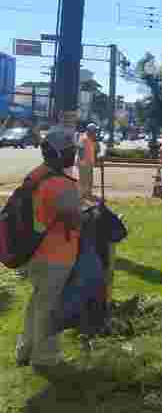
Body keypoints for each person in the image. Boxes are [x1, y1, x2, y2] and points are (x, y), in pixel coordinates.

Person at [15, 127, 81, 375]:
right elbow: (74, 221)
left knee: (38, 303)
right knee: (50, 307)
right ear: (55, 153)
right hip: (55, 254)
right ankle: (45, 357)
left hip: (35, 253)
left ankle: (26, 348)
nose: (73, 155)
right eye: (69, 151)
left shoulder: (37, 176)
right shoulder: (61, 185)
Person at [77, 123, 99, 200]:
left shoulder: (91, 138)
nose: (96, 132)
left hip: (89, 163)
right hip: (84, 163)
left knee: (89, 179)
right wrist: (82, 160)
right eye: (94, 131)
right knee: (83, 180)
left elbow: (96, 150)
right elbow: (80, 150)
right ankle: (81, 196)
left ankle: (88, 194)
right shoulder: (84, 138)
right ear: (90, 131)